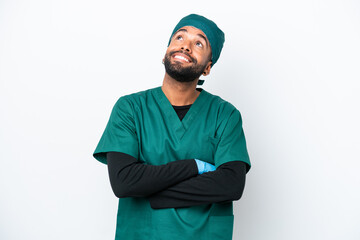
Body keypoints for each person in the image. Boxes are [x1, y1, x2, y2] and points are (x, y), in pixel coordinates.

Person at [93, 14, 251, 240]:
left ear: (207, 67)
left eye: (199, 43)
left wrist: (152, 193)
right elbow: (124, 182)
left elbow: (231, 185)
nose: (185, 46)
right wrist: (195, 166)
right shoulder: (130, 108)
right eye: (179, 37)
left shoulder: (224, 115)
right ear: (167, 51)